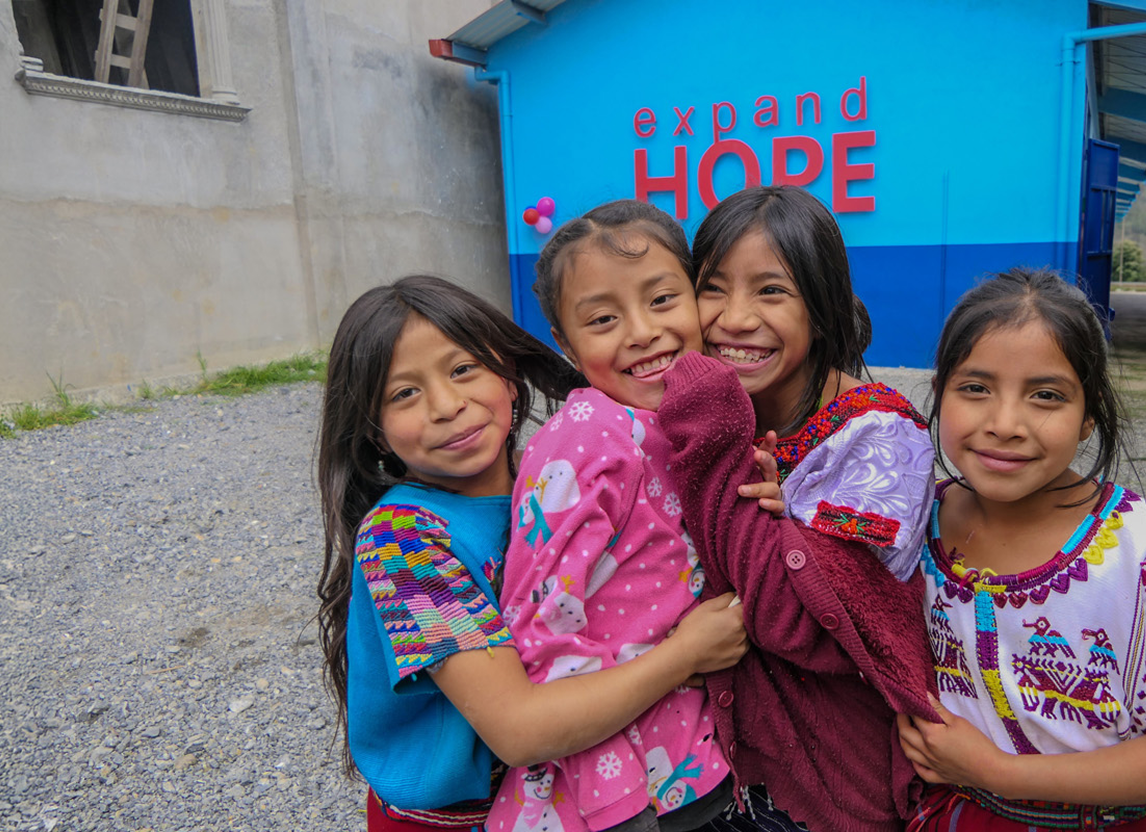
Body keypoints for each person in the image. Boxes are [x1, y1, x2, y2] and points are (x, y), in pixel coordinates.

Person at [316, 275, 750, 832]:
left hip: (567, 794)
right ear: (375, 434)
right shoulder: (404, 545)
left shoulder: (549, 485)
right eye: (405, 393)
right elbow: (518, 731)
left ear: (509, 378)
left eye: (462, 369)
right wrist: (684, 656)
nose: (447, 405)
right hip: (455, 820)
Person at [488, 200, 783, 832]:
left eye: (661, 299)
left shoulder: (685, 420)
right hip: (615, 798)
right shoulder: (588, 436)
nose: (641, 331)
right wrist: (612, 801)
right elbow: (542, 633)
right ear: (565, 344)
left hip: (690, 769)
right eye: (602, 318)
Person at [654, 185, 940, 831]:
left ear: (823, 306)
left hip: (834, 785)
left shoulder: (880, 437)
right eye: (713, 287)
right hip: (723, 766)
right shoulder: (730, 411)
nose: (734, 318)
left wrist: (722, 459)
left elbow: (807, 625)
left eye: (771, 291)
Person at [896, 267, 1146, 830]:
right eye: (976, 388)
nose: (1005, 424)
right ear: (940, 392)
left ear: (1088, 416)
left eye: (1047, 396)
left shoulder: (1135, 552)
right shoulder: (909, 523)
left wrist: (996, 771)